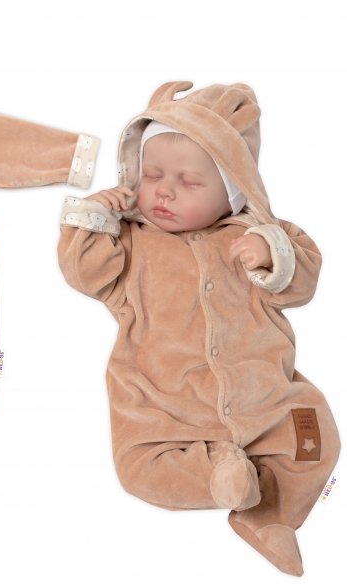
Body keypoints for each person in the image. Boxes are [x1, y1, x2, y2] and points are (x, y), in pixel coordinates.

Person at [57, 81, 340, 576]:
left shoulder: (253, 236)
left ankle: (270, 519)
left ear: (234, 190)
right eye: (152, 175)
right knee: (138, 471)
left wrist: (271, 253)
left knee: (316, 440)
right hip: (162, 406)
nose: (164, 191)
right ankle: (216, 477)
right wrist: (96, 216)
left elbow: (303, 283)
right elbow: (84, 273)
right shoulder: (132, 244)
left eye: (189, 182)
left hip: (265, 399)